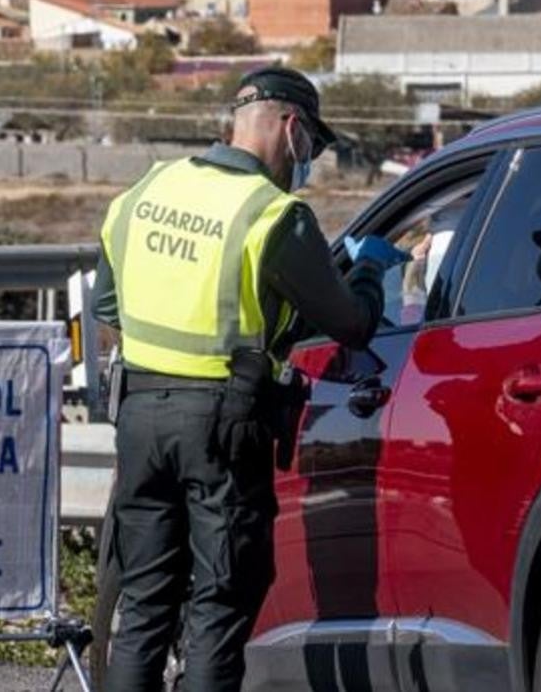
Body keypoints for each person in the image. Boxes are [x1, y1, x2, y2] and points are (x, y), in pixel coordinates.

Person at [90, 66, 406, 692]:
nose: (308, 159)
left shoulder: (145, 192)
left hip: (139, 417)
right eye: (312, 146)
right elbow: (350, 324)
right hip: (221, 428)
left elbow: (107, 307)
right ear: (291, 127)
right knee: (219, 604)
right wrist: (370, 269)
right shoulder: (273, 215)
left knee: (145, 608)